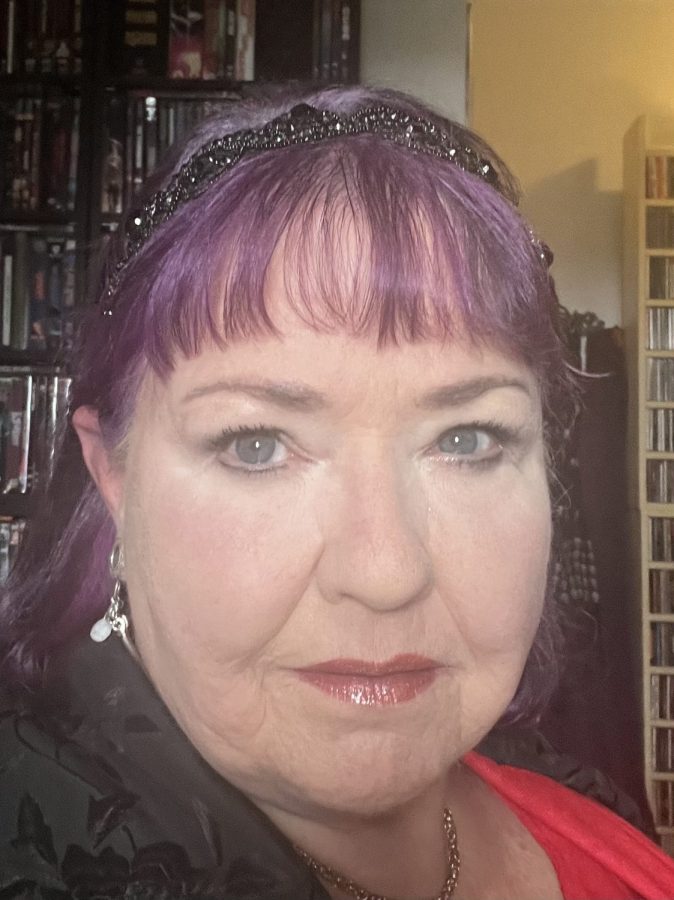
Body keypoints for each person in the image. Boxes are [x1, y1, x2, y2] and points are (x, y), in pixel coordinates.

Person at [1, 85, 673, 900]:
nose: (385, 573)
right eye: (255, 445)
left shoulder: (596, 819)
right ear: (113, 476)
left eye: (467, 439)